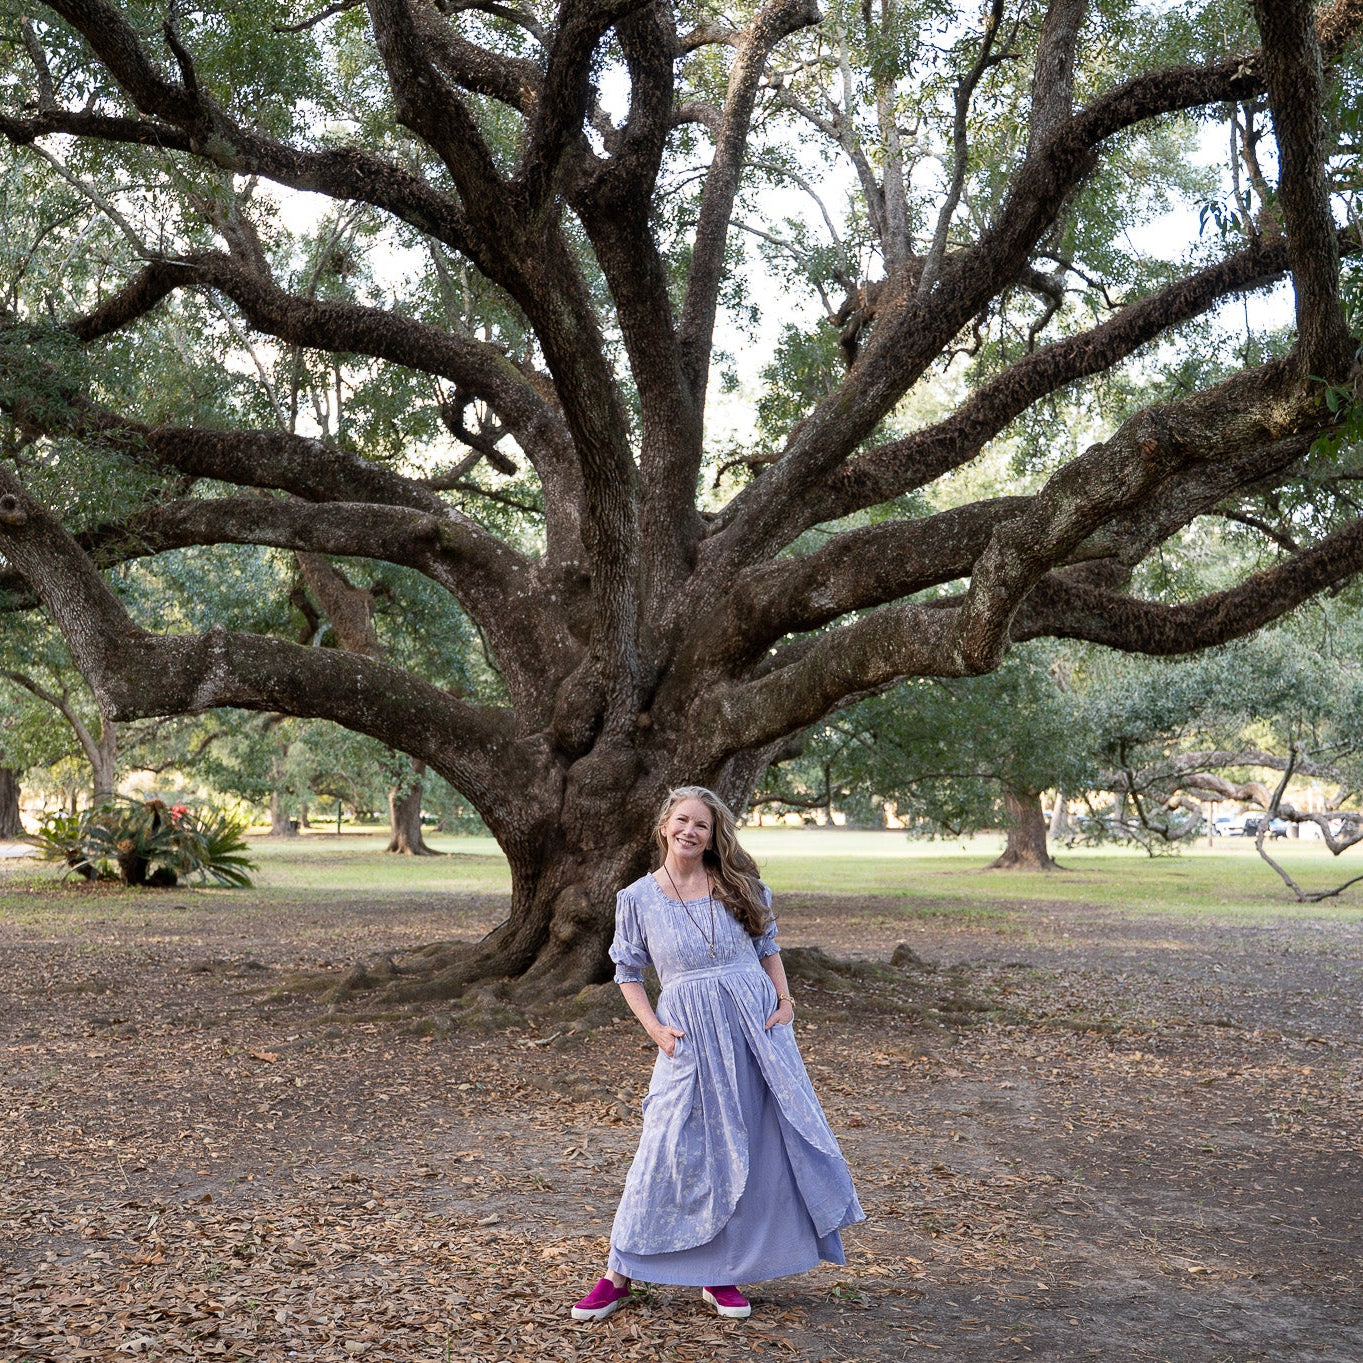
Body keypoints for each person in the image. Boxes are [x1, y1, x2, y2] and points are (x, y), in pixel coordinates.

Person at [571, 786, 864, 1323]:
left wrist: (785, 1002)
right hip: (689, 1039)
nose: (690, 831)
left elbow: (767, 947)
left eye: (701, 825)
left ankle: (720, 1273)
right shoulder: (637, 899)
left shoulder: (739, 887)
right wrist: (657, 1029)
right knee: (666, 1146)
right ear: (664, 826)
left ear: (713, 836)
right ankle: (618, 1276)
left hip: (757, 1034)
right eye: (681, 820)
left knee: (747, 1147)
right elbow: (628, 973)